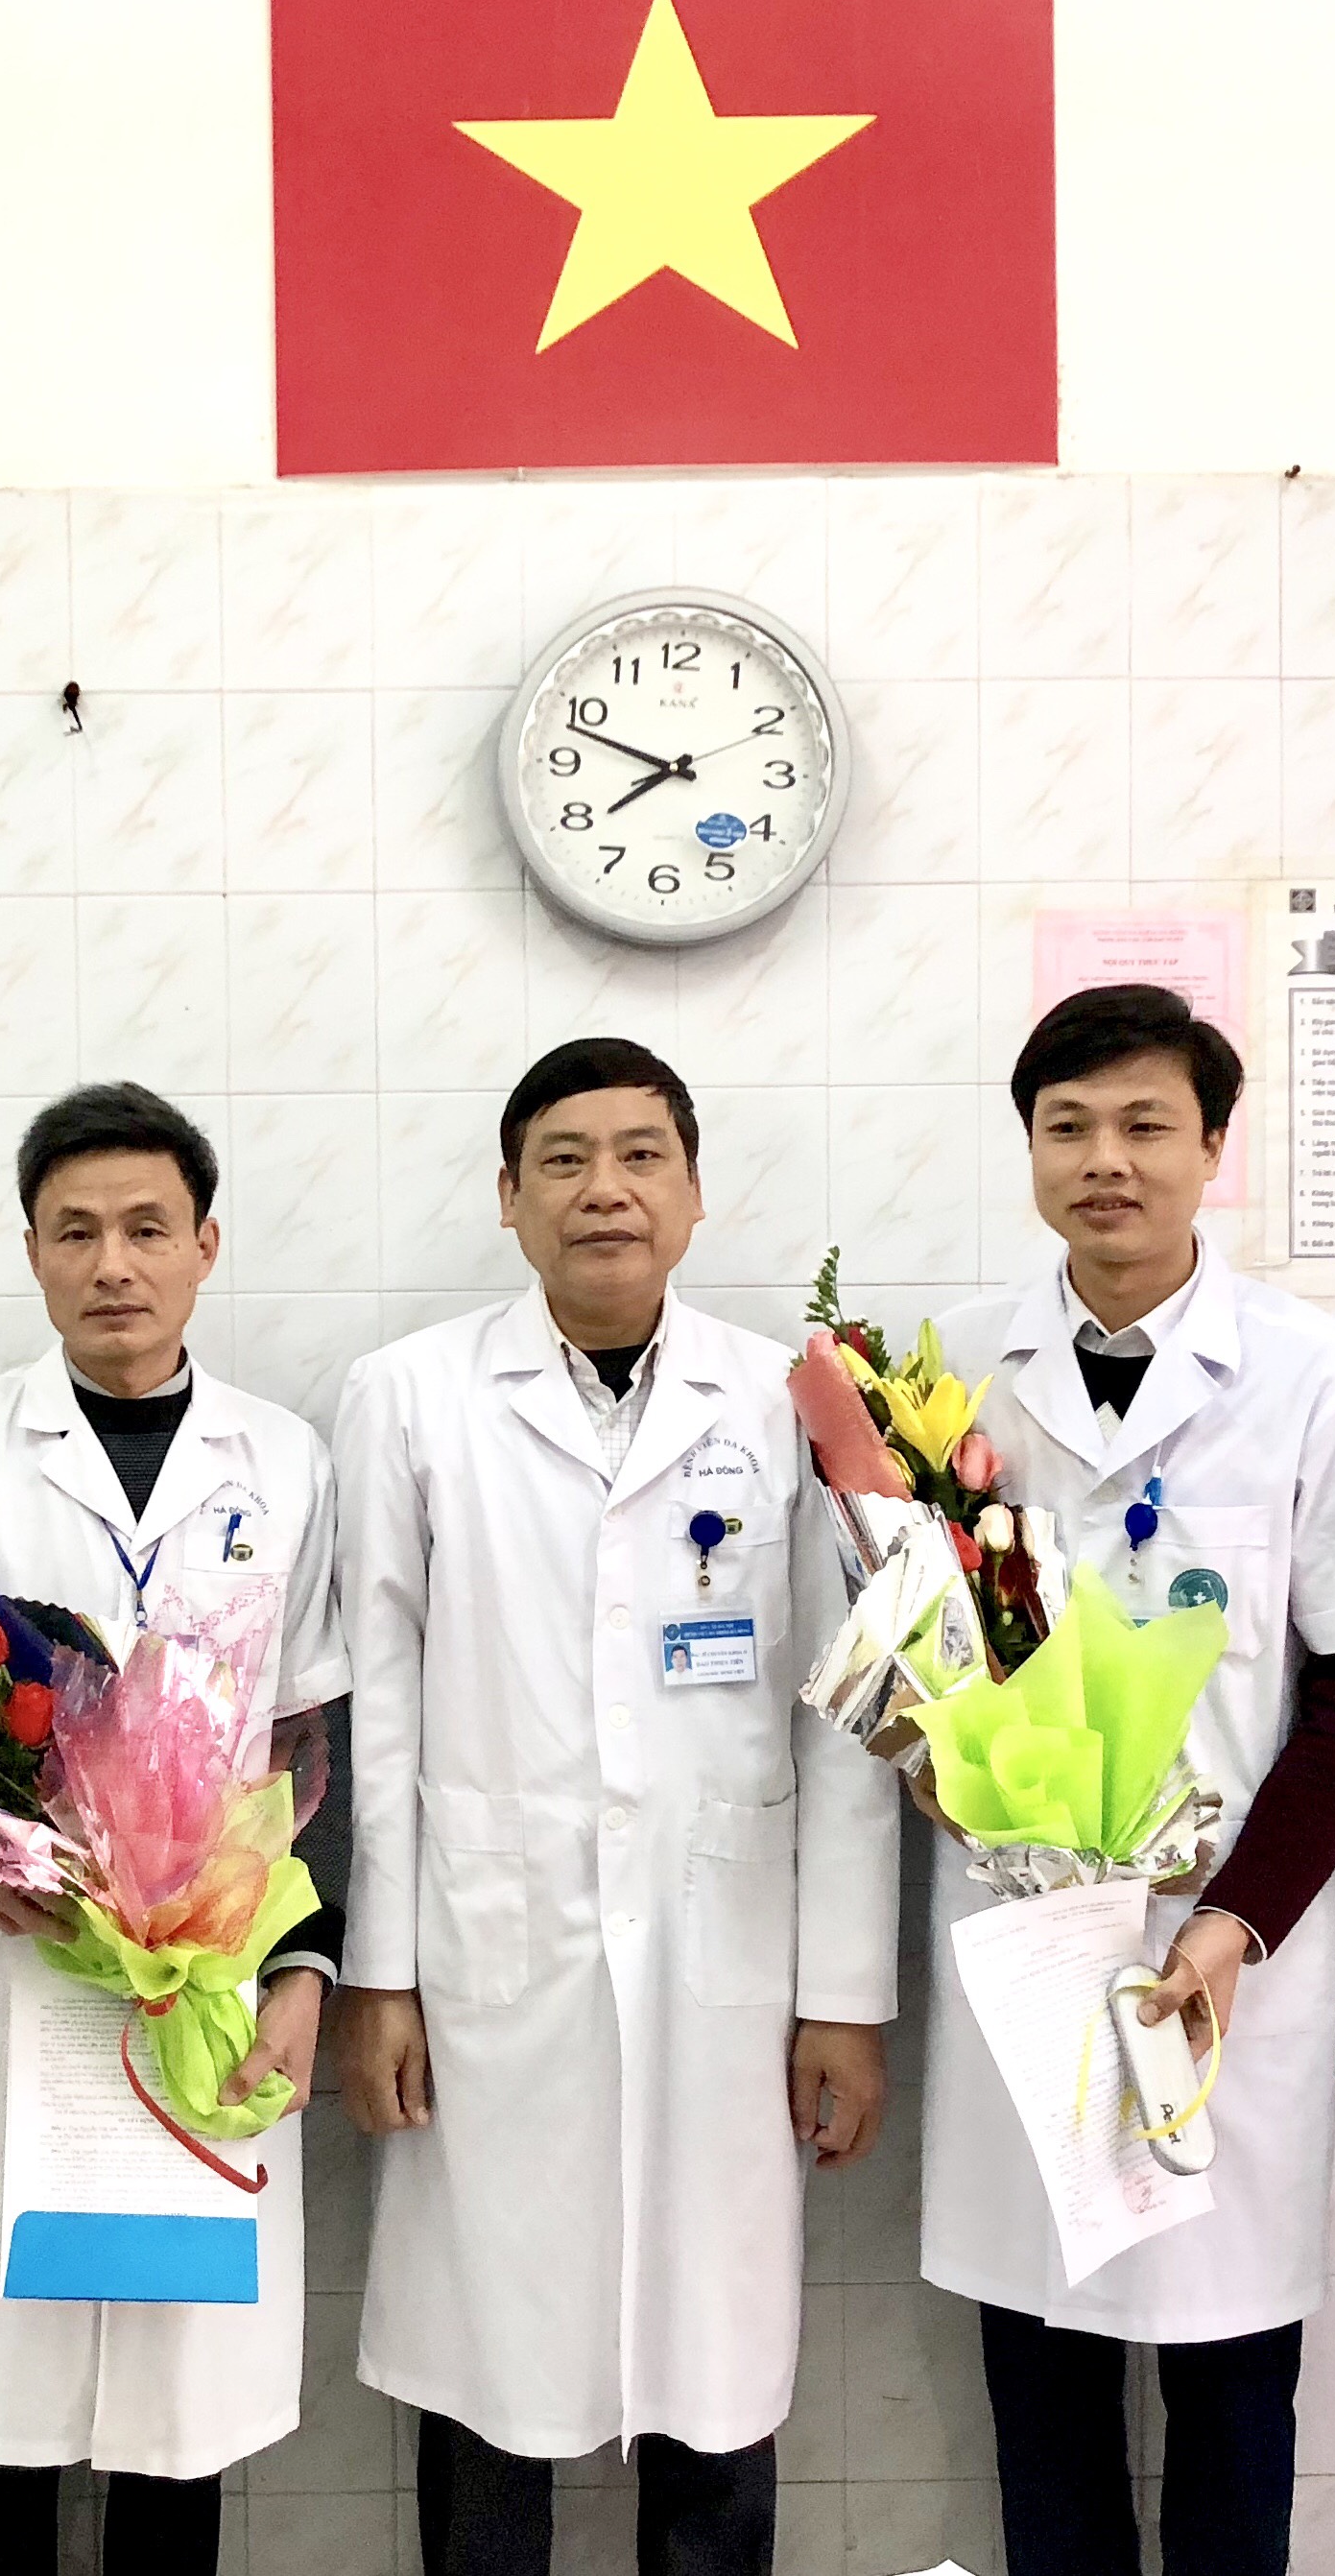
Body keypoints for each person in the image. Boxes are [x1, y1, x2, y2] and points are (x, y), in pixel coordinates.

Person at [920, 985, 1335, 2576]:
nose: (1106, 1159)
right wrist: (939, 1767)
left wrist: (1239, 1920)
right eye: (1069, 1126)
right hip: (1024, 1942)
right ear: (1031, 1147)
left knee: (1233, 2381)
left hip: (1224, 1953)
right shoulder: (951, 1372)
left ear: (1213, 1146)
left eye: (1145, 1123)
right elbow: (914, 1650)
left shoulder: (1314, 1374)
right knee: (1042, 2371)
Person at [332, 1037, 898, 2576]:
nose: (606, 1190)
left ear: (696, 1194)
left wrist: (844, 1997)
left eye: (642, 1155)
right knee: (491, 2365)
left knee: (714, 2368)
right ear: (508, 1196)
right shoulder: (410, 1398)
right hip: (487, 1956)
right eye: (566, 1160)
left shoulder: (788, 1402)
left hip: (731, 1964)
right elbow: (382, 1704)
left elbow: (851, 1711)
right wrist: (380, 1976)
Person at [0, 1081, 348, 2576]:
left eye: (147, 1228)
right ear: (34, 1252)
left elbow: (313, 1739)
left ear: (206, 1245)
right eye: (77, 1231)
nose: (114, 1263)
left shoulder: (283, 1459)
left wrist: (303, 1970)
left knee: (173, 2433)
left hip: (200, 1985)